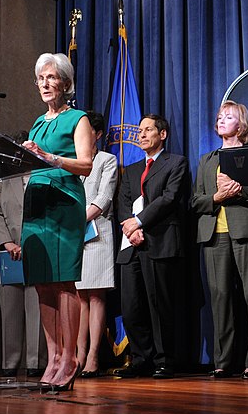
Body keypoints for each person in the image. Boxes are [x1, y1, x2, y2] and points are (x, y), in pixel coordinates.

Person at [21, 52, 94, 391]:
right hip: (36, 203)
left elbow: (86, 164)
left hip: (64, 202)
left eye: (51, 77)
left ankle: (70, 357)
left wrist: (50, 158)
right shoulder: (37, 122)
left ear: (66, 83)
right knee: (42, 282)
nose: (45, 83)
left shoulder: (78, 119)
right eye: (40, 78)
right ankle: (52, 356)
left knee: (63, 281)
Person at [192, 101, 248, 379]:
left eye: (229, 116)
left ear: (242, 124)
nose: (221, 120)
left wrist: (239, 193)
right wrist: (216, 197)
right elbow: (195, 201)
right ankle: (223, 361)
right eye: (219, 116)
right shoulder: (206, 159)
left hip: (246, 230)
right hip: (214, 234)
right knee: (220, 297)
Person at [115, 114, 190, 379]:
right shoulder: (132, 170)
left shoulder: (176, 163)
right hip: (131, 244)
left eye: (148, 130)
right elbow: (123, 202)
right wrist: (130, 228)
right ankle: (140, 359)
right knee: (131, 305)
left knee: (160, 305)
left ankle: (164, 360)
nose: (141, 134)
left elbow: (168, 199)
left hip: (160, 242)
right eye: (139, 130)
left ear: (163, 134)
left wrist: (138, 223)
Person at [0, 131, 46, 378]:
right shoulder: (2, 179)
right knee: (9, 311)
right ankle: (10, 363)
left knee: (37, 308)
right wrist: (7, 243)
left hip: (37, 249)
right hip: (6, 253)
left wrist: (28, 243)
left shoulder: (44, 177)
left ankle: (36, 363)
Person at [76, 111, 118, 378]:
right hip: (74, 234)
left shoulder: (107, 159)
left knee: (95, 295)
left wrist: (76, 219)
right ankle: (77, 355)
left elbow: (103, 197)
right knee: (78, 296)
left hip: (97, 232)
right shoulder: (72, 161)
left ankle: (93, 355)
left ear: (98, 134)